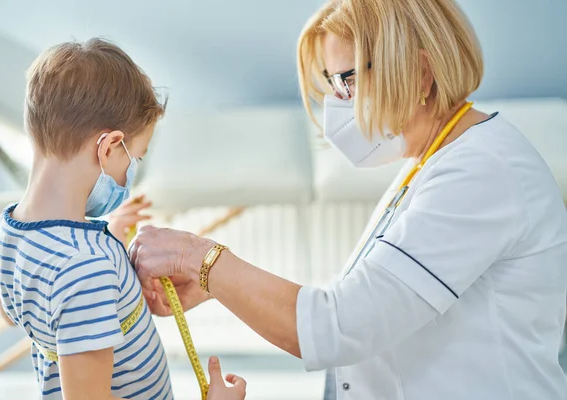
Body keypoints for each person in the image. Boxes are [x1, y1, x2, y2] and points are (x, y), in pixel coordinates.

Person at [129, 1, 567, 399]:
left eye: (349, 79)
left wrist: (198, 258)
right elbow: (359, 299)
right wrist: (218, 287)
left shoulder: (481, 172)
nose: (339, 103)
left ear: (420, 72)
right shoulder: (429, 164)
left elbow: (341, 325)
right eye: (332, 82)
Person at [0, 38, 243, 400]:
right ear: (108, 147)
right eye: (134, 158)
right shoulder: (86, 268)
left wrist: (112, 244)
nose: (130, 173)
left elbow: (16, 311)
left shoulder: (8, 229)